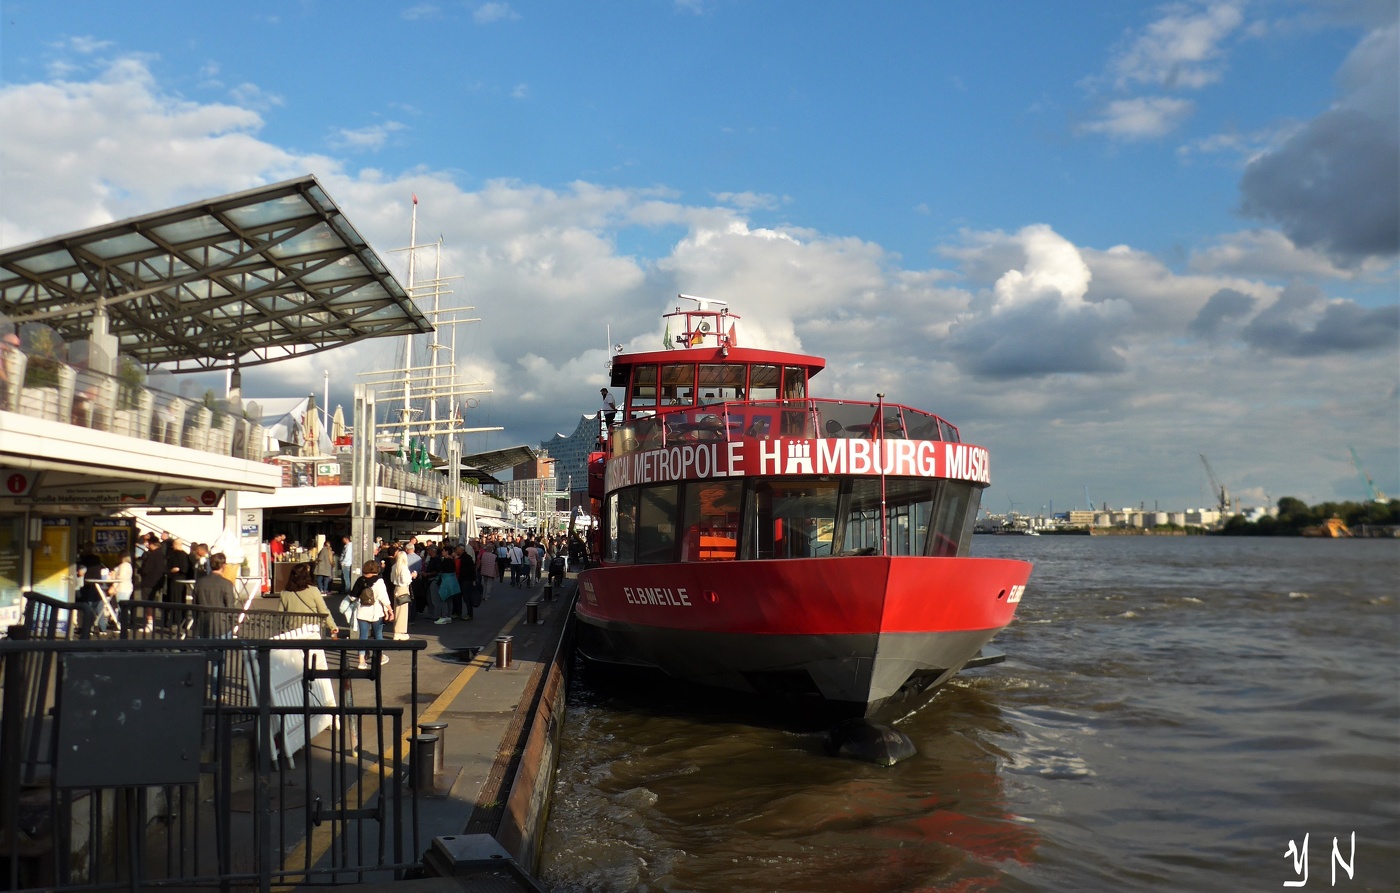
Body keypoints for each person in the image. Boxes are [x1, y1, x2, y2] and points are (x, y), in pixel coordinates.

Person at [353, 560, 393, 668]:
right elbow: (383, 597)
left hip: (362, 611)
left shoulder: (360, 580)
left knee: (363, 636)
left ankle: (361, 661)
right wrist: (390, 610)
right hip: (376, 612)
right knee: (378, 635)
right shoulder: (379, 581)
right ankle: (379, 657)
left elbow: (352, 596)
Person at [279, 563, 337, 637]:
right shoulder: (313, 590)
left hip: (292, 629)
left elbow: (280, 614)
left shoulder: (284, 593)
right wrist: (332, 626)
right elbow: (323, 610)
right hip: (311, 628)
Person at [389, 549, 413, 640]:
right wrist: (412, 576)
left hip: (396, 588)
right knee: (403, 612)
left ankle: (396, 630)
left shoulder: (394, 566)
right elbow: (406, 580)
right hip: (403, 589)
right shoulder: (404, 568)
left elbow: (391, 579)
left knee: (397, 610)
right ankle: (400, 632)